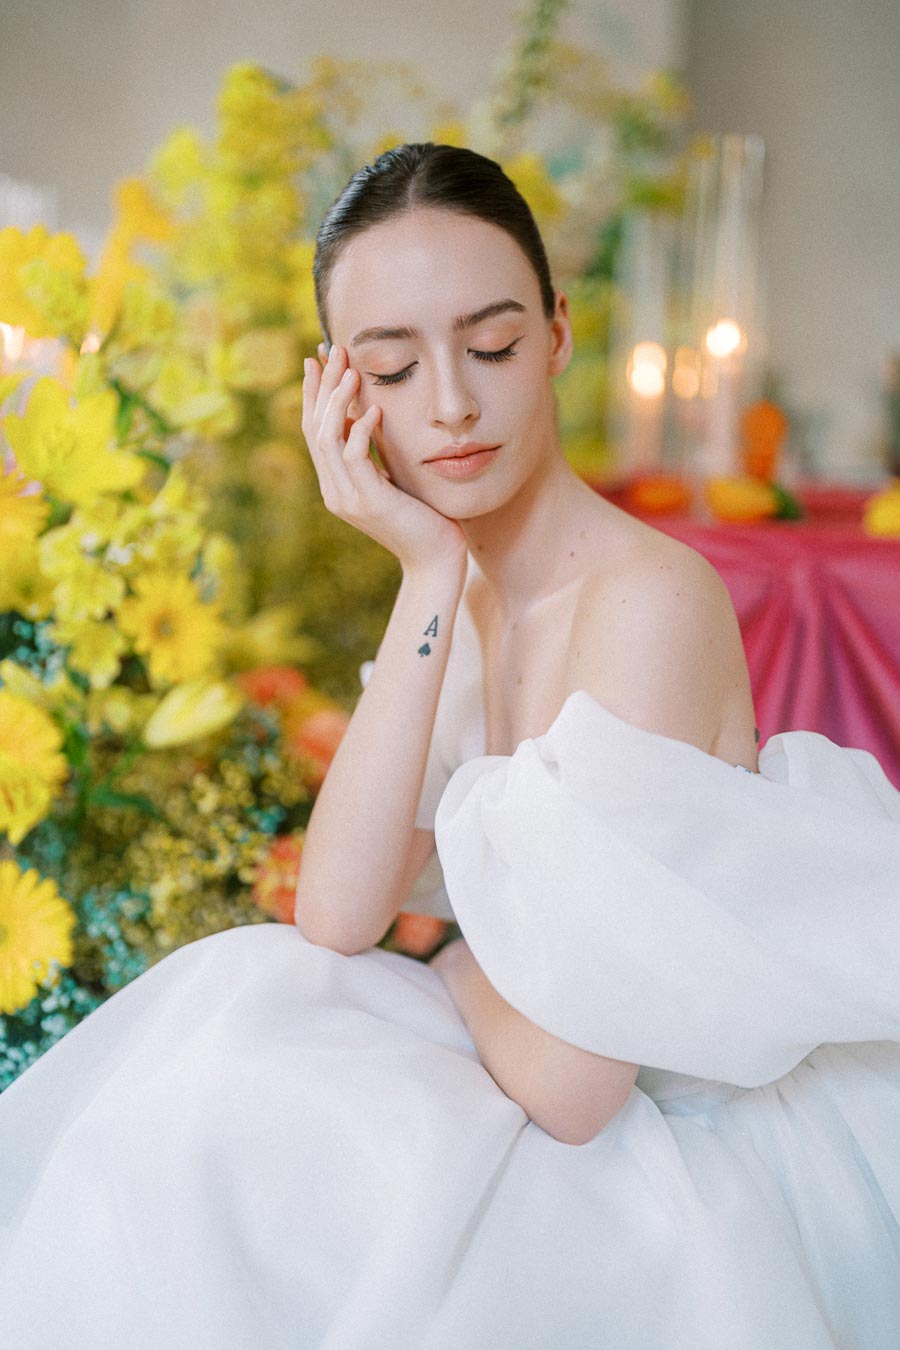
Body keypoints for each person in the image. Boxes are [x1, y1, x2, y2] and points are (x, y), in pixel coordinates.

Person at [0, 143, 898, 1350]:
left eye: (492, 346)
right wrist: (425, 570)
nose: (452, 406)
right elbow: (337, 913)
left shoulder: (646, 602)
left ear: (559, 333)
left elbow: (579, 1086)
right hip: (522, 1079)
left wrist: (453, 960)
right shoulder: (458, 583)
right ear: (342, 394)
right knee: (226, 1046)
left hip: (668, 1146)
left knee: (252, 1134)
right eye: (392, 366)